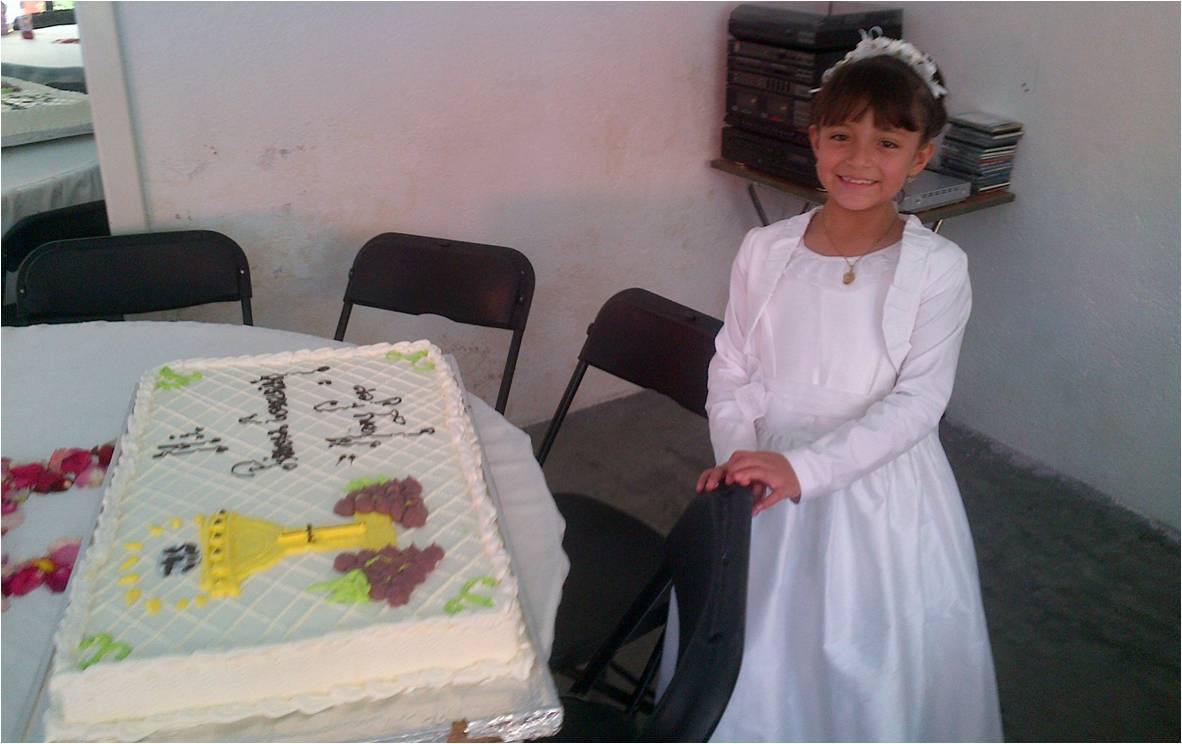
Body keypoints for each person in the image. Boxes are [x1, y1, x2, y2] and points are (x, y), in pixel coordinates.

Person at [666, 32, 1004, 741]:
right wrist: (739, 458)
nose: (859, 159)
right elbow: (732, 364)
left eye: (888, 143)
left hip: (877, 493)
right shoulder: (764, 249)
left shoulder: (938, 269)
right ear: (815, 138)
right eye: (842, 135)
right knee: (753, 647)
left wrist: (807, 470)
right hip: (760, 474)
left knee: (864, 659)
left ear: (921, 157)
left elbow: (919, 401)